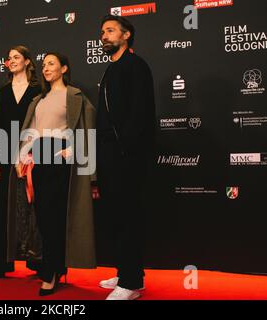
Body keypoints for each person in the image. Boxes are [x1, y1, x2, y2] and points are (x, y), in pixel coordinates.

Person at [9, 52, 97, 296]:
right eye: (44, 64)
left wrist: (72, 149)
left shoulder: (75, 96)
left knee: (56, 216)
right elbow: (31, 131)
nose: (46, 68)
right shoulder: (39, 99)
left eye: (51, 64)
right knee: (43, 217)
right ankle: (53, 266)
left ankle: (51, 272)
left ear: (64, 68)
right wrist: (22, 156)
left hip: (59, 159)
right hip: (39, 158)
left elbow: (87, 130)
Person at [94, 15, 155, 300]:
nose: (104, 36)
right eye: (102, 32)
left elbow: (139, 114)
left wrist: (125, 151)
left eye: (110, 31)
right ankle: (127, 273)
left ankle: (130, 284)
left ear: (126, 34)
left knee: (129, 217)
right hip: (108, 156)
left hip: (126, 157)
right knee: (116, 217)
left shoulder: (135, 66)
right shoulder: (111, 68)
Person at [0, 45, 41, 281]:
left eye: (16, 57)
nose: (11, 61)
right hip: (5, 156)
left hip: (32, 156)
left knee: (33, 208)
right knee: (1, 211)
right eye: (8, 59)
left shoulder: (38, 90)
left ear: (27, 61)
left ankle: (39, 263)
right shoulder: (3, 92)